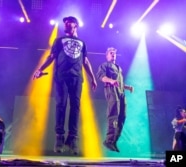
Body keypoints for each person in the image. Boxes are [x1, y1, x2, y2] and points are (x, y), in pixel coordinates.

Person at [33, 16, 97, 155]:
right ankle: (59, 138)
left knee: (76, 106)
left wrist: (93, 78)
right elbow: (51, 57)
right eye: (65, 23)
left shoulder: (82, 42)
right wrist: (40, 69)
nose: (66, 24)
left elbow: (85, 61)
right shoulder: (59, 40)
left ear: (76, 25)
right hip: (61, 77)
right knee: (61, 105)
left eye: (69, 23)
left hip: (77, 78)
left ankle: (72, 139)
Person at [96, 47, 133, 152]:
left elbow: (119, 83)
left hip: (121, 93)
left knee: (122, 116)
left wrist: (127, 87)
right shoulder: (105, 65)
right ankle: (108, 140)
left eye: (114, 53)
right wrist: (111, 81)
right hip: (111, 90)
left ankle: (114, 141)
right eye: (111, 53)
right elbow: (101, 77)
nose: (113, 55)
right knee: (114, 114)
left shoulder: (118, 67)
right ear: (107, 55)